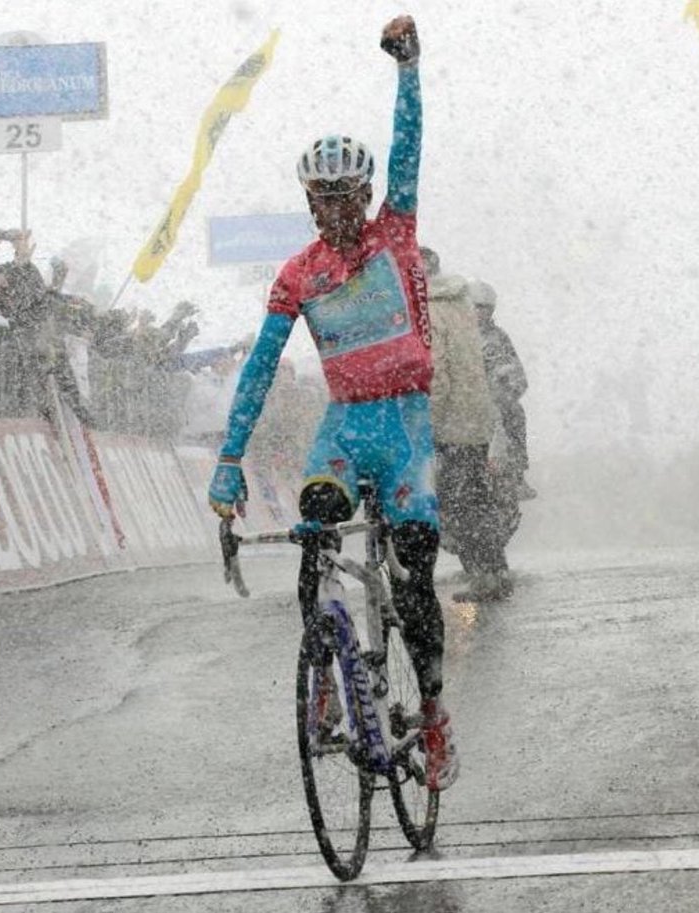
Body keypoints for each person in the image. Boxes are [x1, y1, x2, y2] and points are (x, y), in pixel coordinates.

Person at [206, 16, 458, 791]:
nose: (336, 211)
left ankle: (435, 714)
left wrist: (408, 71)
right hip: (345, 429)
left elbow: (409, 147)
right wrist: (228, 458)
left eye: (347, 196)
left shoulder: (396, 235)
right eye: (321, 199)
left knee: (414, 573)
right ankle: (326, 669)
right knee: (315, 531)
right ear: (309, 203)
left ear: (367, 195)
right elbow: (260, 367)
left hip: (406, 423)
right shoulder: (298, 274)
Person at [422, 254, 511, 602]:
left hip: (452, 423)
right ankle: (496, 570)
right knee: (477, 499)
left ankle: (482, 576)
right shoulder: (459, 303)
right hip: (474, 417)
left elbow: (437, 375)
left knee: (458, 504)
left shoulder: (430, 310)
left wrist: (426, 422)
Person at [468, 279, 535, 500]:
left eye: (485, 308)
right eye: (476, 306)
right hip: (463, 397)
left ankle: (516, 476)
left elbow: (517, 372)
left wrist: (509, 389)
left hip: (494, 397)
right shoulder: (457, 335)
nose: (480, 312)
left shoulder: (499, 337)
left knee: (515, 414)